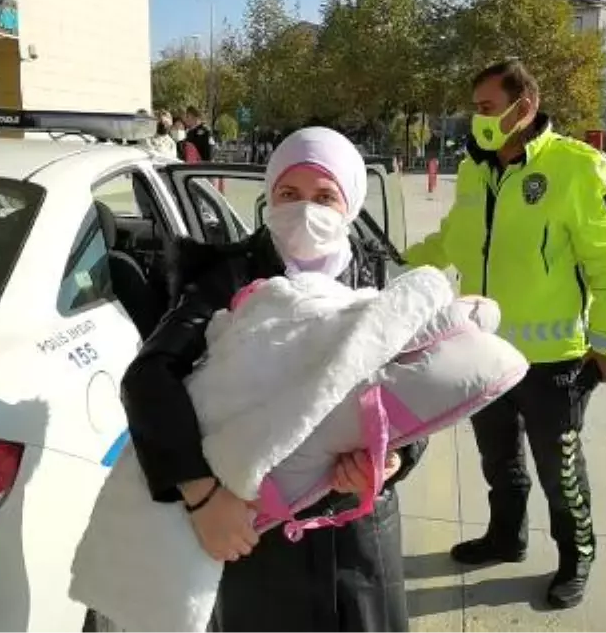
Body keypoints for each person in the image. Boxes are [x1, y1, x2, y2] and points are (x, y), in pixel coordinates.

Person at [121, 126, 425, 633]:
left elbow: (419, 381)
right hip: (260, 531)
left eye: (325, 196)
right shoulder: (230, 276)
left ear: (350, 202)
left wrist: (394, 459)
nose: (306, 210)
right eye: (289, 194)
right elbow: (149, 377)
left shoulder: (379, 277)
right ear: (268, 196)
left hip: (357, 529)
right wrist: (202, 496)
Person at [404, 59, 606, 610]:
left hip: (554, 360)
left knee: (560, 470)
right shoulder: (474, 169)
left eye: (487, 108)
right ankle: (505, 537)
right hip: (483, 352)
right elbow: (453, 241)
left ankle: (576, 555)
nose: (477, 120)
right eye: (476, 109)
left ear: (524, 106)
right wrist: (398, 266)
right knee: (498, 458)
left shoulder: (577, 169)